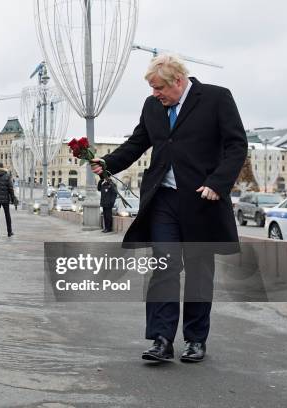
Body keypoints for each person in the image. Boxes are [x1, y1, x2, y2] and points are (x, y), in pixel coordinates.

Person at [91, 54, 247, 363]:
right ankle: (161, 338)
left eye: (158, 87)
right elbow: (137, 143)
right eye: (152, 88)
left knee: (200, 271)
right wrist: (108, 163)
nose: (154, 94)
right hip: (163, 200)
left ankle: (196, 340)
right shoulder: (153, 107)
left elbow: (236, 145)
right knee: (164, 265)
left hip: (203, 201)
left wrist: (218, 183)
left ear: (178, 81)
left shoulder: (217, 98)